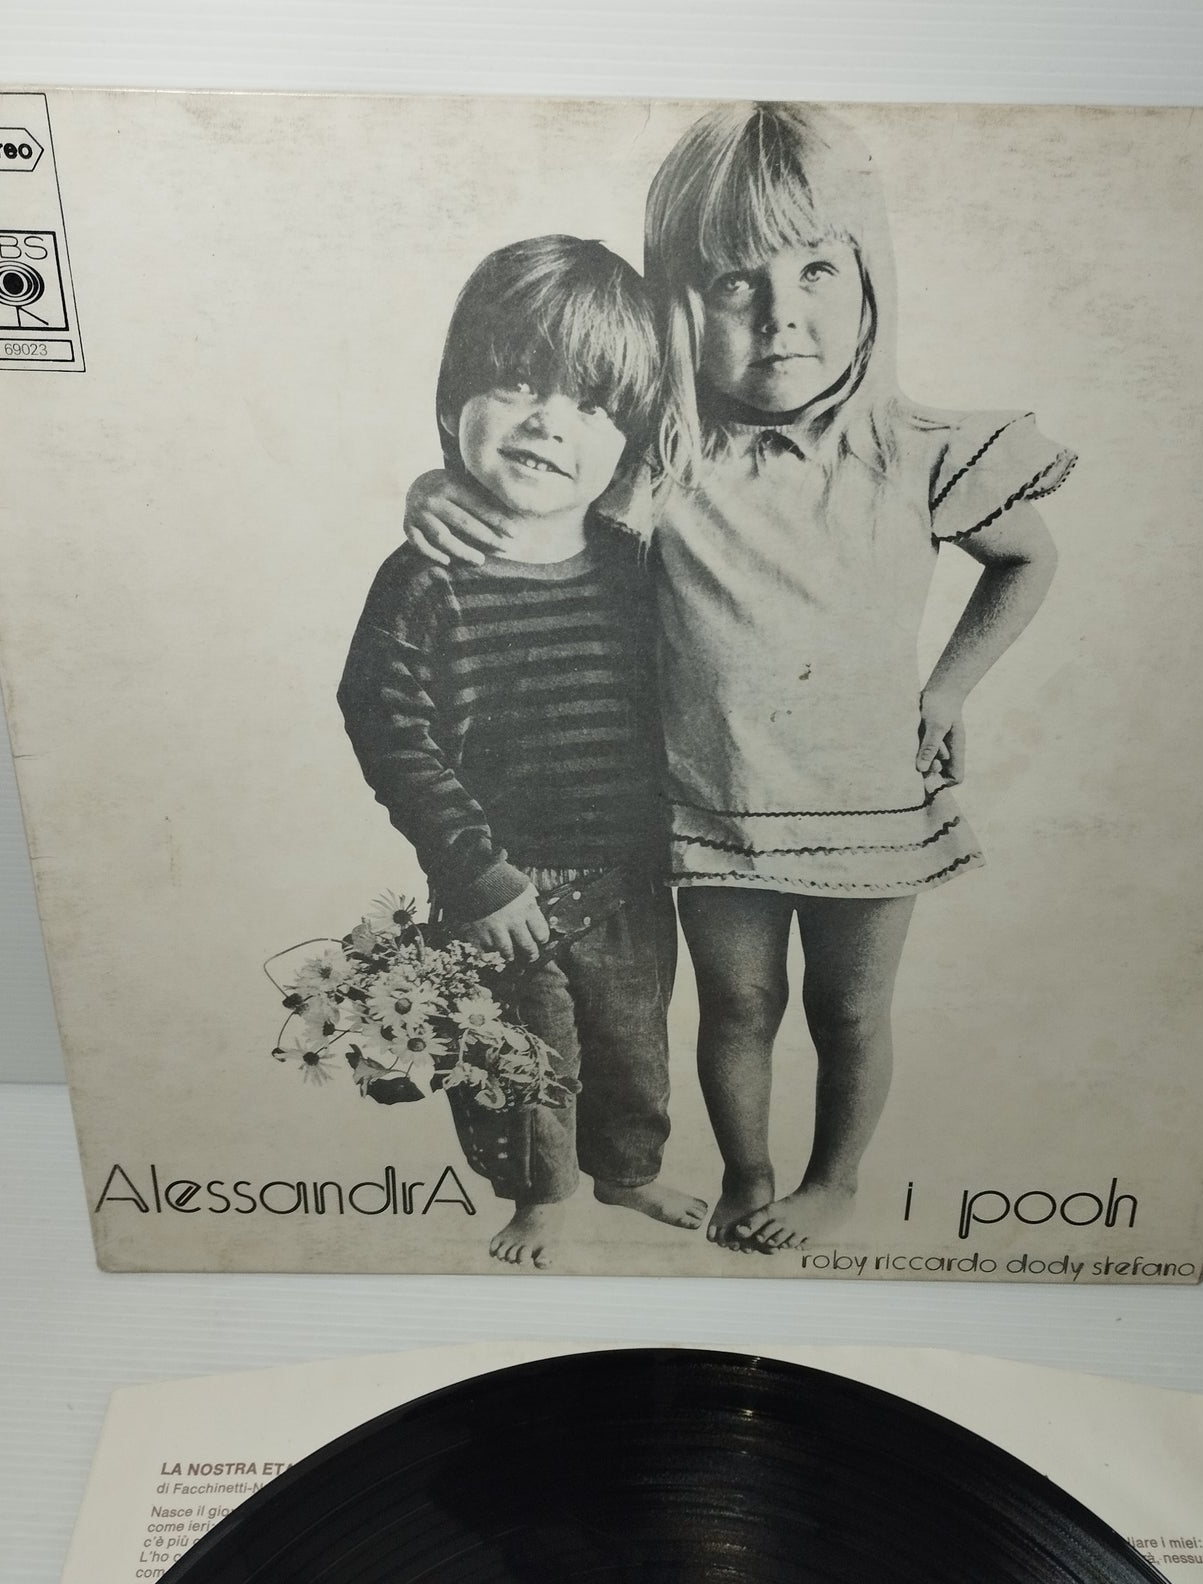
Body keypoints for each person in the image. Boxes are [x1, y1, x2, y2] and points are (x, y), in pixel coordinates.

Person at [405, 106, 1075, 1255]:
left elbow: (1027, 558)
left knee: (849, 1007)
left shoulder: (917, 450)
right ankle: (749, 1175)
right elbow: (539, 487)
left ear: (867, 275)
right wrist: (439, 488)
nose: (779, 313)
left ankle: (834, 1177)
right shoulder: (665, 459)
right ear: (679, 304)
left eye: (815, 268)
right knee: (737, 1006)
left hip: (870, 795)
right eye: (732, 282)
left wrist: (948, 690)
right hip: (716, 801)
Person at [339, 235, 706, 1270]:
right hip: (502, 880)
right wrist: (475, 872)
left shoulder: (635, 568)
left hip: (628, 872)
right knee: (518, 1059)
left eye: (592, 403)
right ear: (453, 397)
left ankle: (626, 1171)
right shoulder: (425, 575)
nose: (549, 420)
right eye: (514, 382)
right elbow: (390, 730)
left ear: (632, 437)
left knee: (633, 1040)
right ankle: (539, 1197)